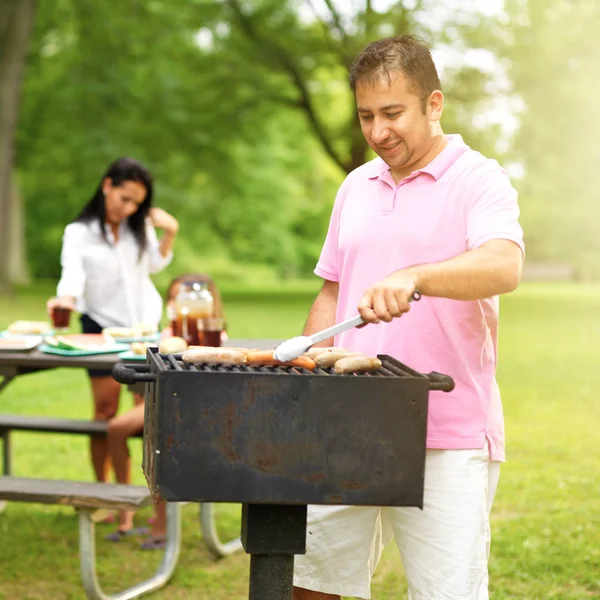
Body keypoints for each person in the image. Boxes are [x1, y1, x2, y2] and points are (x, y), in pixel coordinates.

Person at [292, 35, 524, 600]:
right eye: (366, 116)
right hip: (347, 421)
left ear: (434, 103)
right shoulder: (355, 186)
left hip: (445, 430)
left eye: (393, 113)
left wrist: (416, 276)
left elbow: (504, 265)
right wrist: (306, 361)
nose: (378, 132)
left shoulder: (479, 178)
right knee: (309, 584)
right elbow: (332, 289)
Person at [46, 157, 179, 492]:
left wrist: (170, 232)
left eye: (137, 202)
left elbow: (155, 263)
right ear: (107, 186)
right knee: (105, 410)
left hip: (144, 327)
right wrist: (65, 301)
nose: (130, 208)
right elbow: (72, 277)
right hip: (99, 327)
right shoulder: (78, 233)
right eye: (125, 198)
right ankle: (105, 494)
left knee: (147, 416)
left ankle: (147, 496)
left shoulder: (139, 228)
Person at [105, 273, 227, 547]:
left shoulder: (211, 332)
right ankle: (124, 512)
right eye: (173, 297)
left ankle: (161, 524)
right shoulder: (166, 334)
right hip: (160, 400)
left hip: (192, 407)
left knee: (160, 435)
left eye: (184, 298)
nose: (177, 303)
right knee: (116, 429)